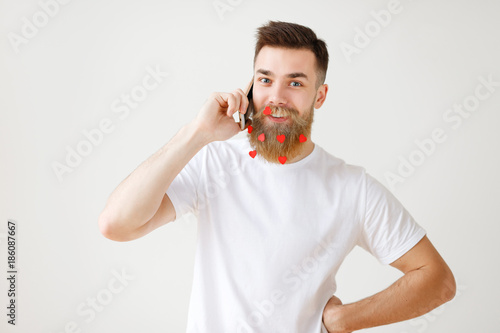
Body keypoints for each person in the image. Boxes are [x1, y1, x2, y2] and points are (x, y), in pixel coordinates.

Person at [98, 21, 456, 333]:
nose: (276, 97)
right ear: (251, 87)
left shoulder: (351, 188)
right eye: (265, 80)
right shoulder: (214, 161)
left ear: (320, 96)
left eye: (295, 84)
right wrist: (197, 132)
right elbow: (117, 224)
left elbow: (437, 279)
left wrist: (344, 320)